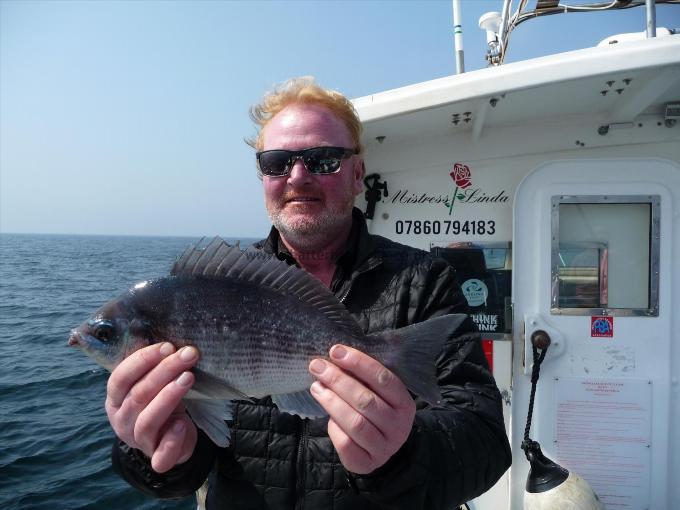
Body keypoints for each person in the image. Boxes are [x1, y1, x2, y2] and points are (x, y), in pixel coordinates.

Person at [107, 77, 511, 509]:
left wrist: (402, 454)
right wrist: (151, 453)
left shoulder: (425, 280)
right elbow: (186, 468)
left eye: (323, 160)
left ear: (357, 175)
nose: (297, 176)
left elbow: (485, 442)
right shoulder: (220, 288)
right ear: (263, 177)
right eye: (277, 162)